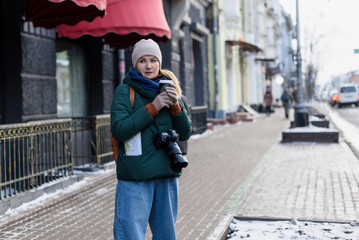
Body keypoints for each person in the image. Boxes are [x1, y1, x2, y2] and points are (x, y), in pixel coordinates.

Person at [111, 39, 192, 240]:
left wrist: (176, 107)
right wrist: (154, 107)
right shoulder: (125, 91)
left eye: (153, 60)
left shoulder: (168, 88)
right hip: (135, 175)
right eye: (143, 61)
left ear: (159, 63)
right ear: (135, 64)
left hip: (166, 173)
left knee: (166, 235)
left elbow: (185, 132)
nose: (149, 66)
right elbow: (120, 130)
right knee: (130, 234)